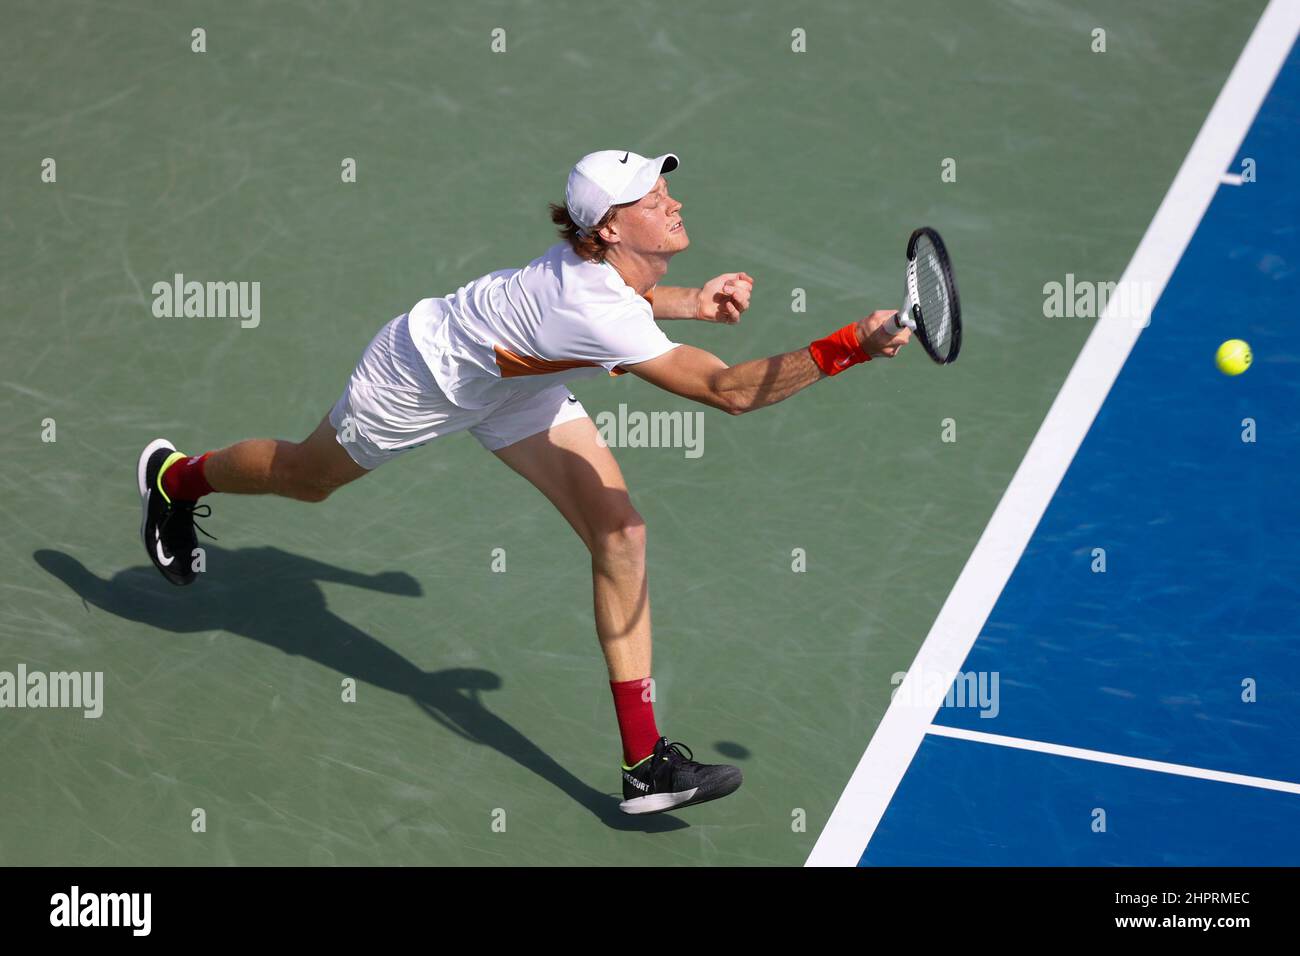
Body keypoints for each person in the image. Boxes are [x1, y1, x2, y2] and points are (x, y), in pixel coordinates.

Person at [136, 149, 910, 815]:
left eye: (665, 189)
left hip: (518, 382)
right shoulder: (591, 307)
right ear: (609, 228)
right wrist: (849, 346)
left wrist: (690, 301)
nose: (671, 202)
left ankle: (645, 766)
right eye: (650, 199)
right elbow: (729, 392)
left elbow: (625, 299)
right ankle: (177, 479)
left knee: (622, 534)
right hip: (422, 375)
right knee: (307, 479)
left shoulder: (603, 272)